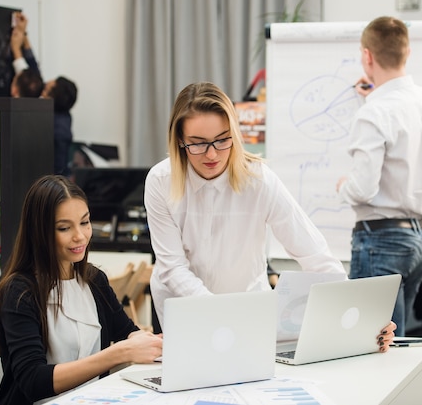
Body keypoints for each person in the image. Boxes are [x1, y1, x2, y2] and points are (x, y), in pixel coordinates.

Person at [144, 81, 396, 350]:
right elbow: (173, 268)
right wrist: (218, 313)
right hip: (185, 309)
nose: (212, 154)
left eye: (222, 140)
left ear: (235, 135)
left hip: (248, 309)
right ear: (180, 140)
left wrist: (358, 316)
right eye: (198, 144)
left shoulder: (259, 180)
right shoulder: (161, 181)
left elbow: (314, 254)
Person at [0, 175, 162, 405]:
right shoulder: (19, 292)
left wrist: (150, 343)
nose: (80, 236)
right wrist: (117, 353)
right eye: (64, 228)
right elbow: (33, 381)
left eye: (85, 222)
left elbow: (127, 332)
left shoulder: (94, 280)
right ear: (39, 232)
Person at [336, 16, 422, 336]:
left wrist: (344, 187)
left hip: (381, 242)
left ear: (367, 57)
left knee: (370, 342)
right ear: (407, 52)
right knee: (392, 343)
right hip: (419, 240)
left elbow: (363, 189)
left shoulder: (374, 113)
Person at [10, 12, 78, 176]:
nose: (44, 83)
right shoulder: (60, 110)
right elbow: (34, 73)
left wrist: (15, 50)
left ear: (48, 96)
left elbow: (28, 82)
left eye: (48, 85)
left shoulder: (49, 123)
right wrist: (24, 35)